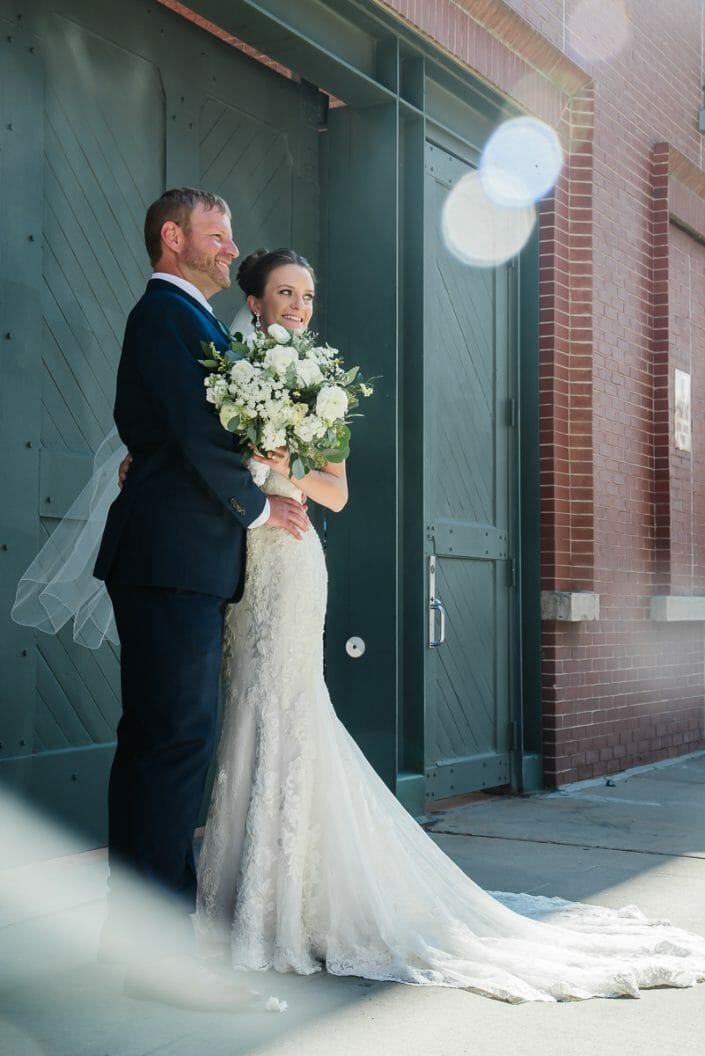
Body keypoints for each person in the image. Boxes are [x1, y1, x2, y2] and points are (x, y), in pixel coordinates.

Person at [190, 247, 705, 1003]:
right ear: (256, 301)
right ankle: (246, 893)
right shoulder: (228, 374)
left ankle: (288, 904)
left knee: (287, 709)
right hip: (240, 565)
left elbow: (334, 495)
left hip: (293, 561)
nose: (298, 305)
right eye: (284, 293)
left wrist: (282, 465)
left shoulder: (319, 381)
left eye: (307, 293)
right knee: (247, 710)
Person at [91, 189, 310, 1009]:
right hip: (169, 558)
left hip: (181, 558)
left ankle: (135, 942)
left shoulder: (198, 323)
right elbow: (191, 430)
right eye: (217, 237)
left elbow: (179, 433)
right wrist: (259, 501)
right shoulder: (165, 317)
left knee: (160, 748)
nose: (231, 249)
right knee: (171, 750)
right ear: (172, 237)